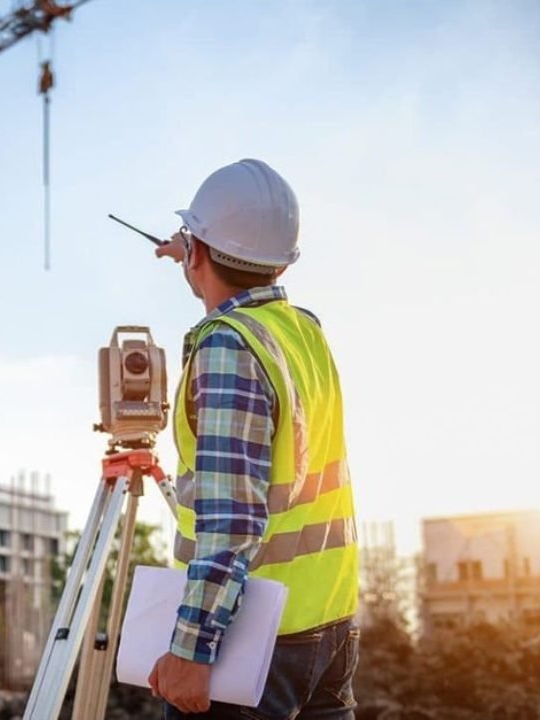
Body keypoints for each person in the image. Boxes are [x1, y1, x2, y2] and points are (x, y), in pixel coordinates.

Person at [147, 159, 360, 719]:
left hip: (252, 644)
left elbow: (233, 519)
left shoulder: (227, 347)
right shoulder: (302, 331)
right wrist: (194, 252)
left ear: (197, 252)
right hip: (328, 628)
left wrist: (192, 649)